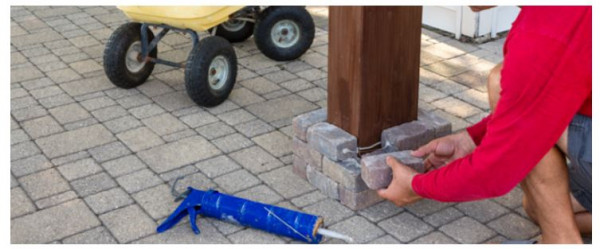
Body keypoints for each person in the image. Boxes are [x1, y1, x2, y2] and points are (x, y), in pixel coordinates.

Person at [377, 6, 591, 244]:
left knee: (499, 83)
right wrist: (470, 139)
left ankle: (561, 242)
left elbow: (496, 170)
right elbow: (541, 100)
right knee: (539, 208)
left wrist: (416, 186)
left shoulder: (549, 26)